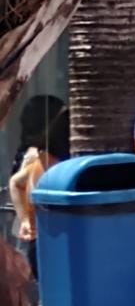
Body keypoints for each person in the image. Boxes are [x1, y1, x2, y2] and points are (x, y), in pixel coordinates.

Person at [7, 96, 70, 283]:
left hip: (41, 240)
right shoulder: (42, 159)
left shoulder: (39, 159)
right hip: (48, 240)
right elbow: (16, 183)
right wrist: (26, 219)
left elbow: (16, 182)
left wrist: (25, 220)